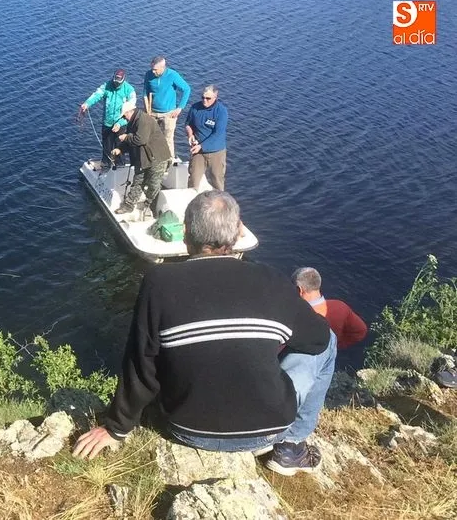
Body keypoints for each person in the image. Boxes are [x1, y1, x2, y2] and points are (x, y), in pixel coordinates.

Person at [73, 191, 337, 477]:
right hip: (267, 429)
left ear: (186, 234)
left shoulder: (158, 283)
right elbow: (317, 339)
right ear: (237, 233)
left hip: (188, 429)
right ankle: (292, 445)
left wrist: (117, 427)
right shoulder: (270, 280)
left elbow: (141, 364)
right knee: (330, 341)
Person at [293, 267, 369, 370]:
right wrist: (337, 345)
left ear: (299, 290)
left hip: (301, 365)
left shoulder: (296, 315)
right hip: (328, 362)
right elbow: (361, 330)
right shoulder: (340, 307)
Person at [109, 101, 171, 217]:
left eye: (124, 115)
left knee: (154, 184)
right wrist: (120, 149)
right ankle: (128, 205)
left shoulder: (143, 120)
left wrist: (126, 137)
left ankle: (150, 205)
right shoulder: (133, 121)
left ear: (129, 112)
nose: (124, 118)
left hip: (157, 158)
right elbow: (132, 140)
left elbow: (140, 139)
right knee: (138, 181)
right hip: (143, 158)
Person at [81, 69, 137, 168]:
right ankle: (106, 164)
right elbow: (97, 95)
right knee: (107, 145)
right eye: (115, 80)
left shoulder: (130, 90)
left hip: (121, 124)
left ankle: (120, 166)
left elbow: (131, 109)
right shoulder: (107, 85)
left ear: (124, 80)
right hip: (107, 122)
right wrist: (87, 103)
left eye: (118, 81)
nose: (116, 83)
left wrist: (119, 123)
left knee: (119, 146)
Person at [143, 56, 191, 160]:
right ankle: (153, 160)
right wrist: (147, 110)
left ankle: (169, 161)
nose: (153, 71)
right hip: (152, 113)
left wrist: (179, 108)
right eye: (152, 68)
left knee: (168, 138)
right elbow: (145, 94)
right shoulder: (148, 75)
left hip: (169, 114)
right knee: (150, 138)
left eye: (155, 69)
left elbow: (187, 89)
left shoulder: (172, 75)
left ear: (163, 67)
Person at [185, 85, 229, 190]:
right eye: (202, 97)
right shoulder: (195, 108)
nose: (204, 100)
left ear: (215, 97)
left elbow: (217, 134)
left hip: (216, 152)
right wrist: (190, 135)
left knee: (217, 181)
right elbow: (188, 124)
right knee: (193, 180)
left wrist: (201, 146)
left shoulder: (221, 112)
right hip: (198, 151)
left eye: (208, 98)